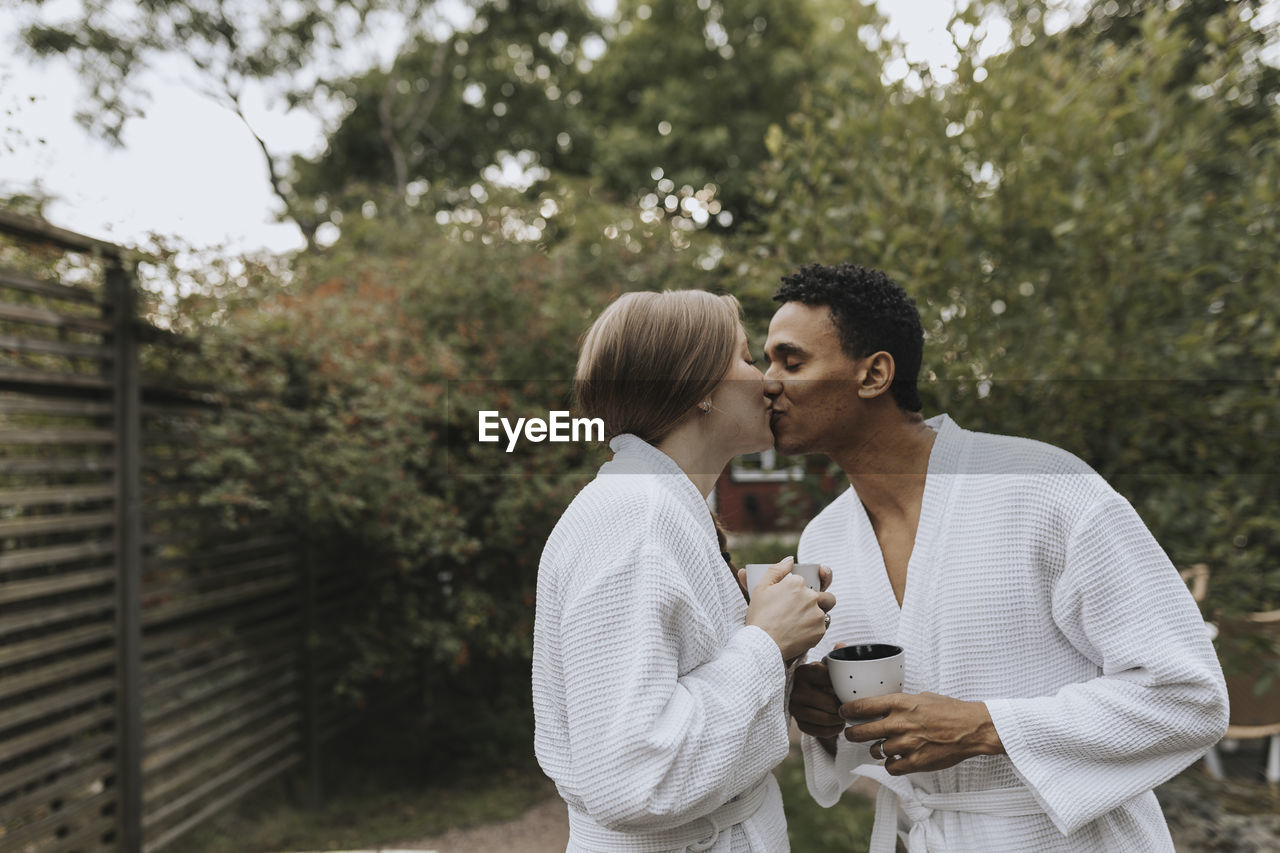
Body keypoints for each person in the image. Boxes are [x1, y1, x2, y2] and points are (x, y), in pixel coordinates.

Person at [767, 263, 1229, 852]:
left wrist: (987, 726)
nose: (766, 382)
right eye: (766, 361)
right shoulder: (825, 539)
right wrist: (826, 718)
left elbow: (1189, 694)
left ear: (874, 374)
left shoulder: (1045, 487)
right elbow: (887, 729)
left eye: (791, 361)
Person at [533, 289, 836, 852]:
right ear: (698, 387)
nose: (770, 381)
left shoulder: (657, 508)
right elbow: (629, 776)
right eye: (747, 359)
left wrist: (774, 655)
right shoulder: (634, 520)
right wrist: (763, 644)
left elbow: (672, 689)